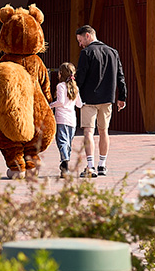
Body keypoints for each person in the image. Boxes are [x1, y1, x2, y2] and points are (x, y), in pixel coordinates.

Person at [74, 24, 127, 178]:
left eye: (80, 40)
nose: (80, 44)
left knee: (88, 131)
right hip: (107, 98)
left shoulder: (86, 53)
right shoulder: (113, 52)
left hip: (89, 99)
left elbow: (81, 76)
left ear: (88, 36)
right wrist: (122, 96)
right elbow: (120, 75)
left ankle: (90, 166)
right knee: (104, 131)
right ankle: (102, 165)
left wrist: (74, 92)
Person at [51, 62, 82, 178]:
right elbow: (79, 104)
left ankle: (65, 165)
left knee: (62, 142)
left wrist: (49, 105)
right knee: (68, 143)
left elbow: (61, 102)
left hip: (62, 119)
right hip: (72, 120)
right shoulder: (75, 87)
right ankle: (65, 165)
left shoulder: (60, 86)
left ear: (60, 73)